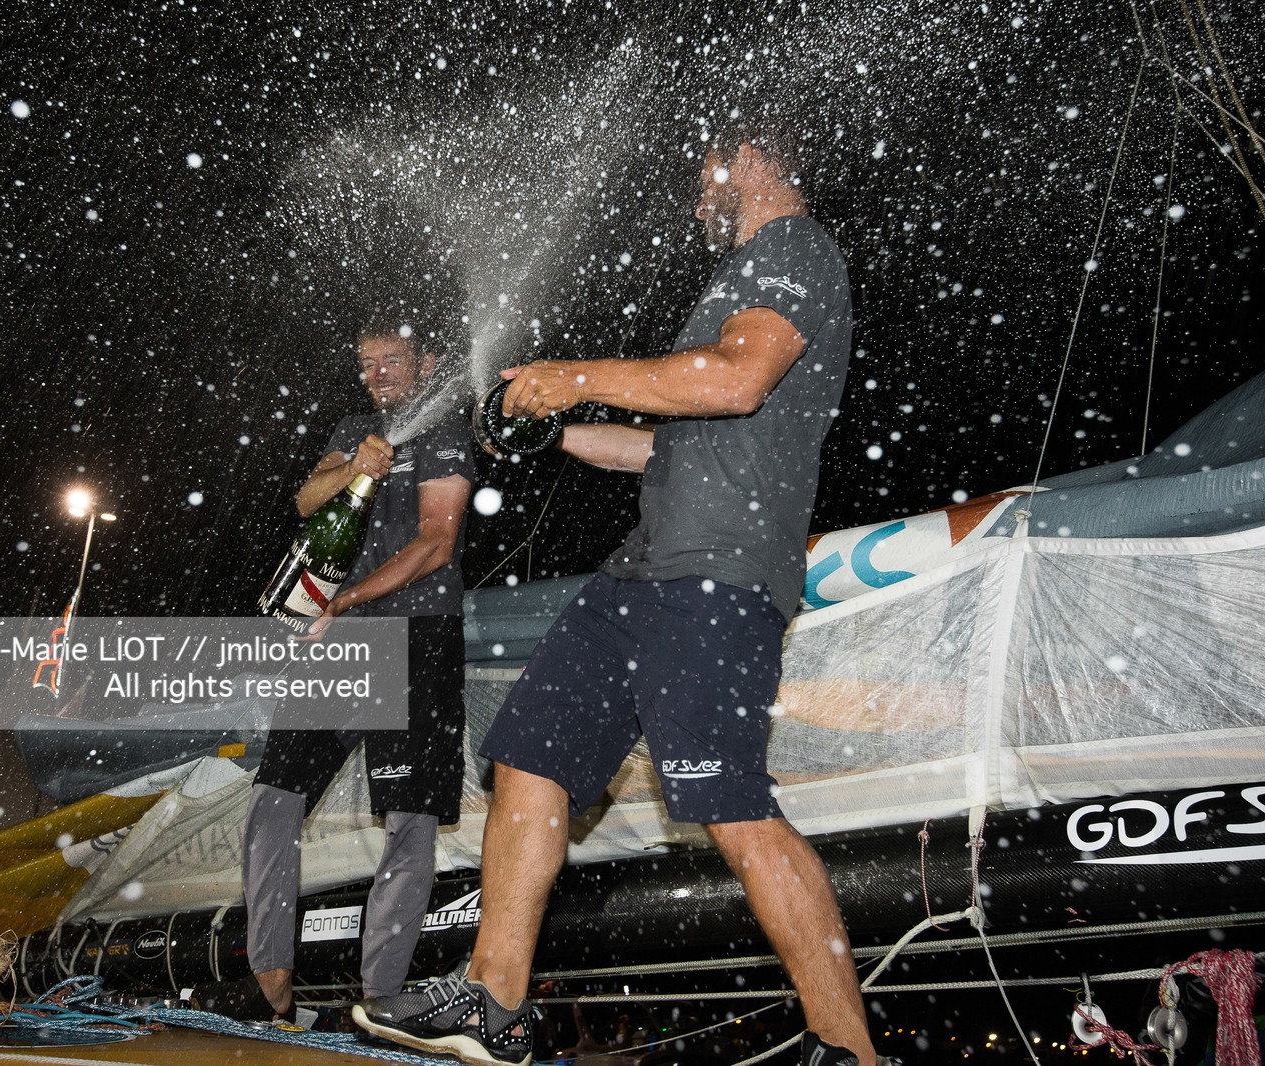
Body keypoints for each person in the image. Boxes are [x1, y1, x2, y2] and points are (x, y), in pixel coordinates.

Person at [354, 120, 878, 1066]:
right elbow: (662, 446)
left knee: (733, 807)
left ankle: (849, 1050)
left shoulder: (794, 249)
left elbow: (737, 380)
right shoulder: (736, 280)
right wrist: (548, 429)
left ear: (752, 159)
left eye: (705, 178)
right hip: (640, 574)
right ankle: (493, 1003)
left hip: (718, 576)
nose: (695, 202)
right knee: (531, 755)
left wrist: (573, 376)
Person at [200, 304, 476, 1022]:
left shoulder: (444, 427)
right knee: (272, 803)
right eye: (367, 363)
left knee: (408, 820)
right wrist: (355, 465)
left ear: (426, 364)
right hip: (341, 645)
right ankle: (271, 983)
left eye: (392, 359)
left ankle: (380, 996)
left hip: (415, 638)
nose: (378, 374)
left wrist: (346, 600)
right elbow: (306, 499)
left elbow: (435, 545)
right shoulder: (352, 432)